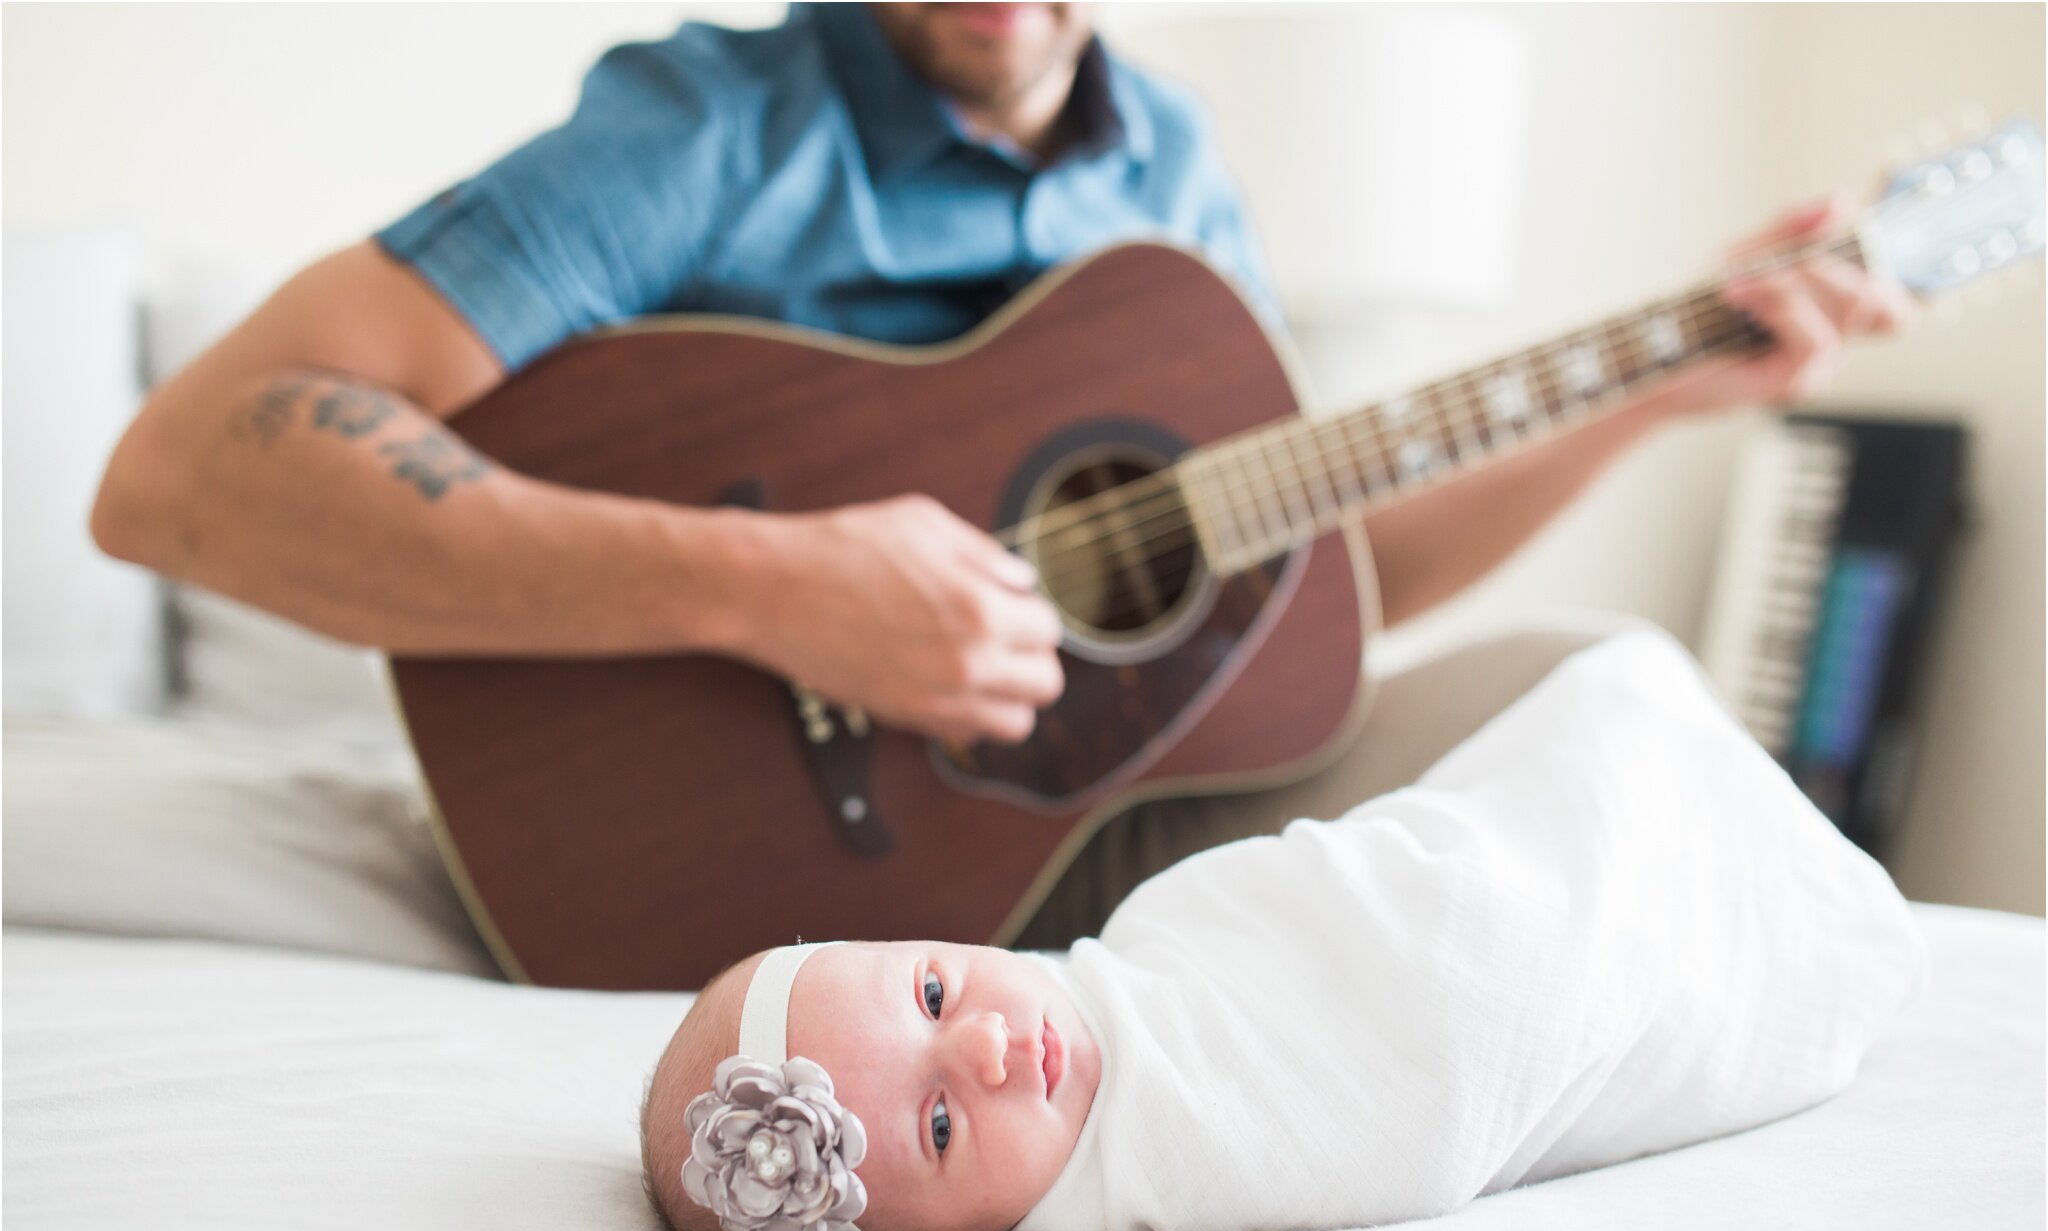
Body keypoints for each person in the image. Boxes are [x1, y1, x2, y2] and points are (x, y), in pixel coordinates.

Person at [89, 3, 1914, 949]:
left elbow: (1294, 587)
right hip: (698, 866)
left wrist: (1661, 386)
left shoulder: (1178, 165)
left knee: (1610, 698)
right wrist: (767, 587)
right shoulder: (713, 126)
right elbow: (184, 474)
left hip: (1083, 844)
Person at [639, 624, 1927, 1231]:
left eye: (929, 988)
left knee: (1576, 758)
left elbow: (1327, 904)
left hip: (1476, 878)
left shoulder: (1122, 970)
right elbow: (1426, 1065)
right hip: (1550, 985)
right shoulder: (1163, 1171)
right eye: (935, 1129)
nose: (981, 1041)